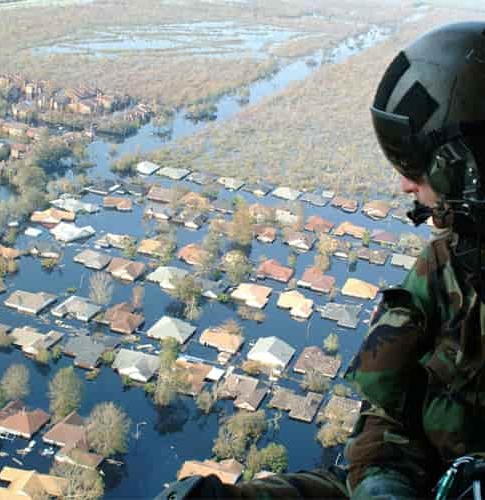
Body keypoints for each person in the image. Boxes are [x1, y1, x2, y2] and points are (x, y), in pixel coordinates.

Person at [156, 21, 485, 499]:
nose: (405, 186)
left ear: (464, 168)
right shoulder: (449, 264)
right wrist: (382, 483)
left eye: (415, 169)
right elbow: (388, 412)